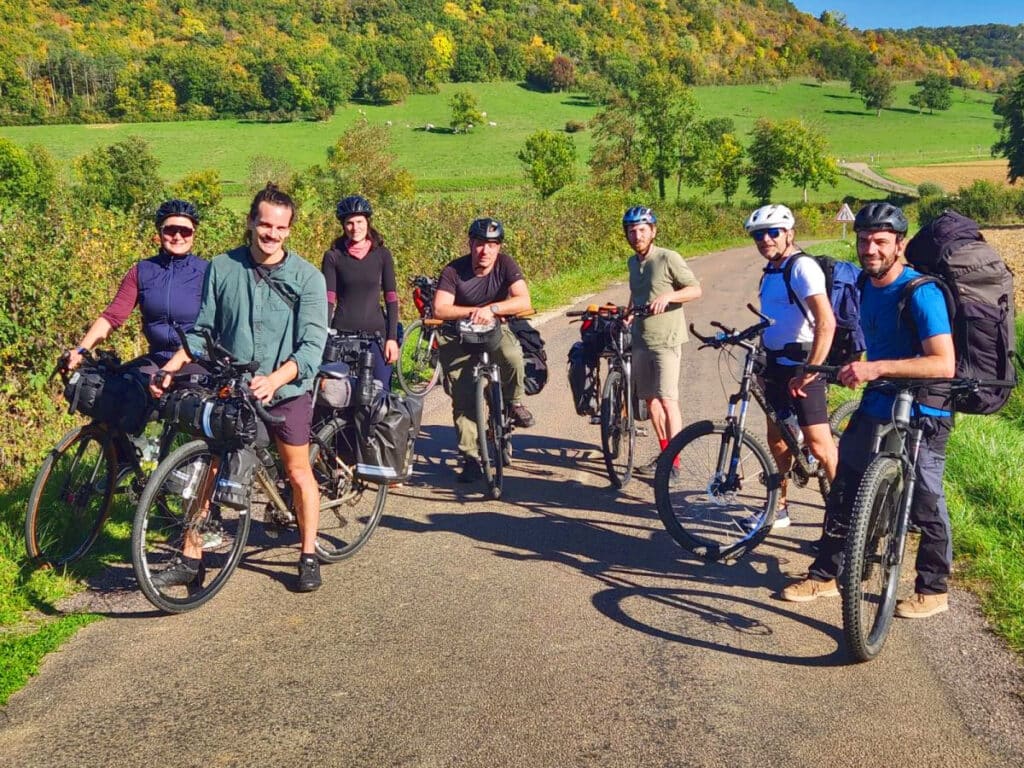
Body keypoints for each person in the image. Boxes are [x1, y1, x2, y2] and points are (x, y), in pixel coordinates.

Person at [150, 184, 329, 592]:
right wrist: (172, 366)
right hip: (232, 387)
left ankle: (307, 554)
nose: (271, 234)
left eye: (280, 227)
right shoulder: (223, 267)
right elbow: (202, 331)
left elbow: (311, 347)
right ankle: (191, 557)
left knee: (298, 470)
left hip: (285, 390)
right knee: (209, 467)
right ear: (250, 222)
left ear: (289, 230)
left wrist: (276, 379)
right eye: (264, 224)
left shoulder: (308, 278)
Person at [782, 202, 956, 620]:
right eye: (864, 240)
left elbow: (942, 363)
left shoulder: (921, 292)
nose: (870, 249)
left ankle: (934, 589)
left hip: (924, 409)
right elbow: (855, 338)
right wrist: (816, 370)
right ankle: (827, 575)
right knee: (844, 489)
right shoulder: (864, 284)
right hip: (878, 401)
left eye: (880, 241)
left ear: (900, 245)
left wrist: (876, 367)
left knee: (925, 499)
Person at [746, 203, 838, 529]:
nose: (765, 240)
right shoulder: (770, 272)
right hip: (775, 365)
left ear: (790, 234)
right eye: (759, 234)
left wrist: (813, 369)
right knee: (778, 440)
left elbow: (826, 322)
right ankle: (780, 507)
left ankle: (844, 515)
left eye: (773, 232)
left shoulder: (802, 268)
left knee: (819, 444)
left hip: (803, 366)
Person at [432, 218, 534, 483]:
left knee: (512, 356)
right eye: (479, 244)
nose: (485, 251)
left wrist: (492, 310)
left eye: (492, 245)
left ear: (499, 247)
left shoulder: (506, 265)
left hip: (494, 329)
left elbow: (523, 299)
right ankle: (470, 457)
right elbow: (440, 308)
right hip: (459, 335)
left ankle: (513, 403)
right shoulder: (454, 270)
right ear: (470, 244)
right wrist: (472, 313)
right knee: (463, 395)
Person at [67, 199, 207, 377]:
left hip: (195, 360)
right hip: (157, 359)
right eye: (170, 230)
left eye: (185, 231)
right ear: (159, 232)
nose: (178, 237)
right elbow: (112, 317)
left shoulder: (206, 272)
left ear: (194, 234)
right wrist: (81, 350)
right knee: (117, 390)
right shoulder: (142, 271)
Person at [622, 206, 702, 481]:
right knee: (651, 401)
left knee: (668, 400)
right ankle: (664, 454)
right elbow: (637, 292)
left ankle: (674, 462)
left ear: (653, 231)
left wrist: (669, 297)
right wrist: (629, 311)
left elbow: (695, 289)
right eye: (632, 231)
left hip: (666, 340)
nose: (637, 235)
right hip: (641, 339)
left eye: (642, 229)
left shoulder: (669, 258)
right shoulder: (633, 263)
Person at [322, 195, 399, 389]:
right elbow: (329, 298)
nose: (355, 228)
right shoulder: (334, 256)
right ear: (343, 225)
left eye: (359, 222)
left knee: (381, 395)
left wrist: (391, 338)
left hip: (376, 336)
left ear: (367, 222)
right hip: (342, 335)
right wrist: (322, 332)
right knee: (339, 396)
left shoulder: (382, 254)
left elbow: (391, 297)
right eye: (349, 223)